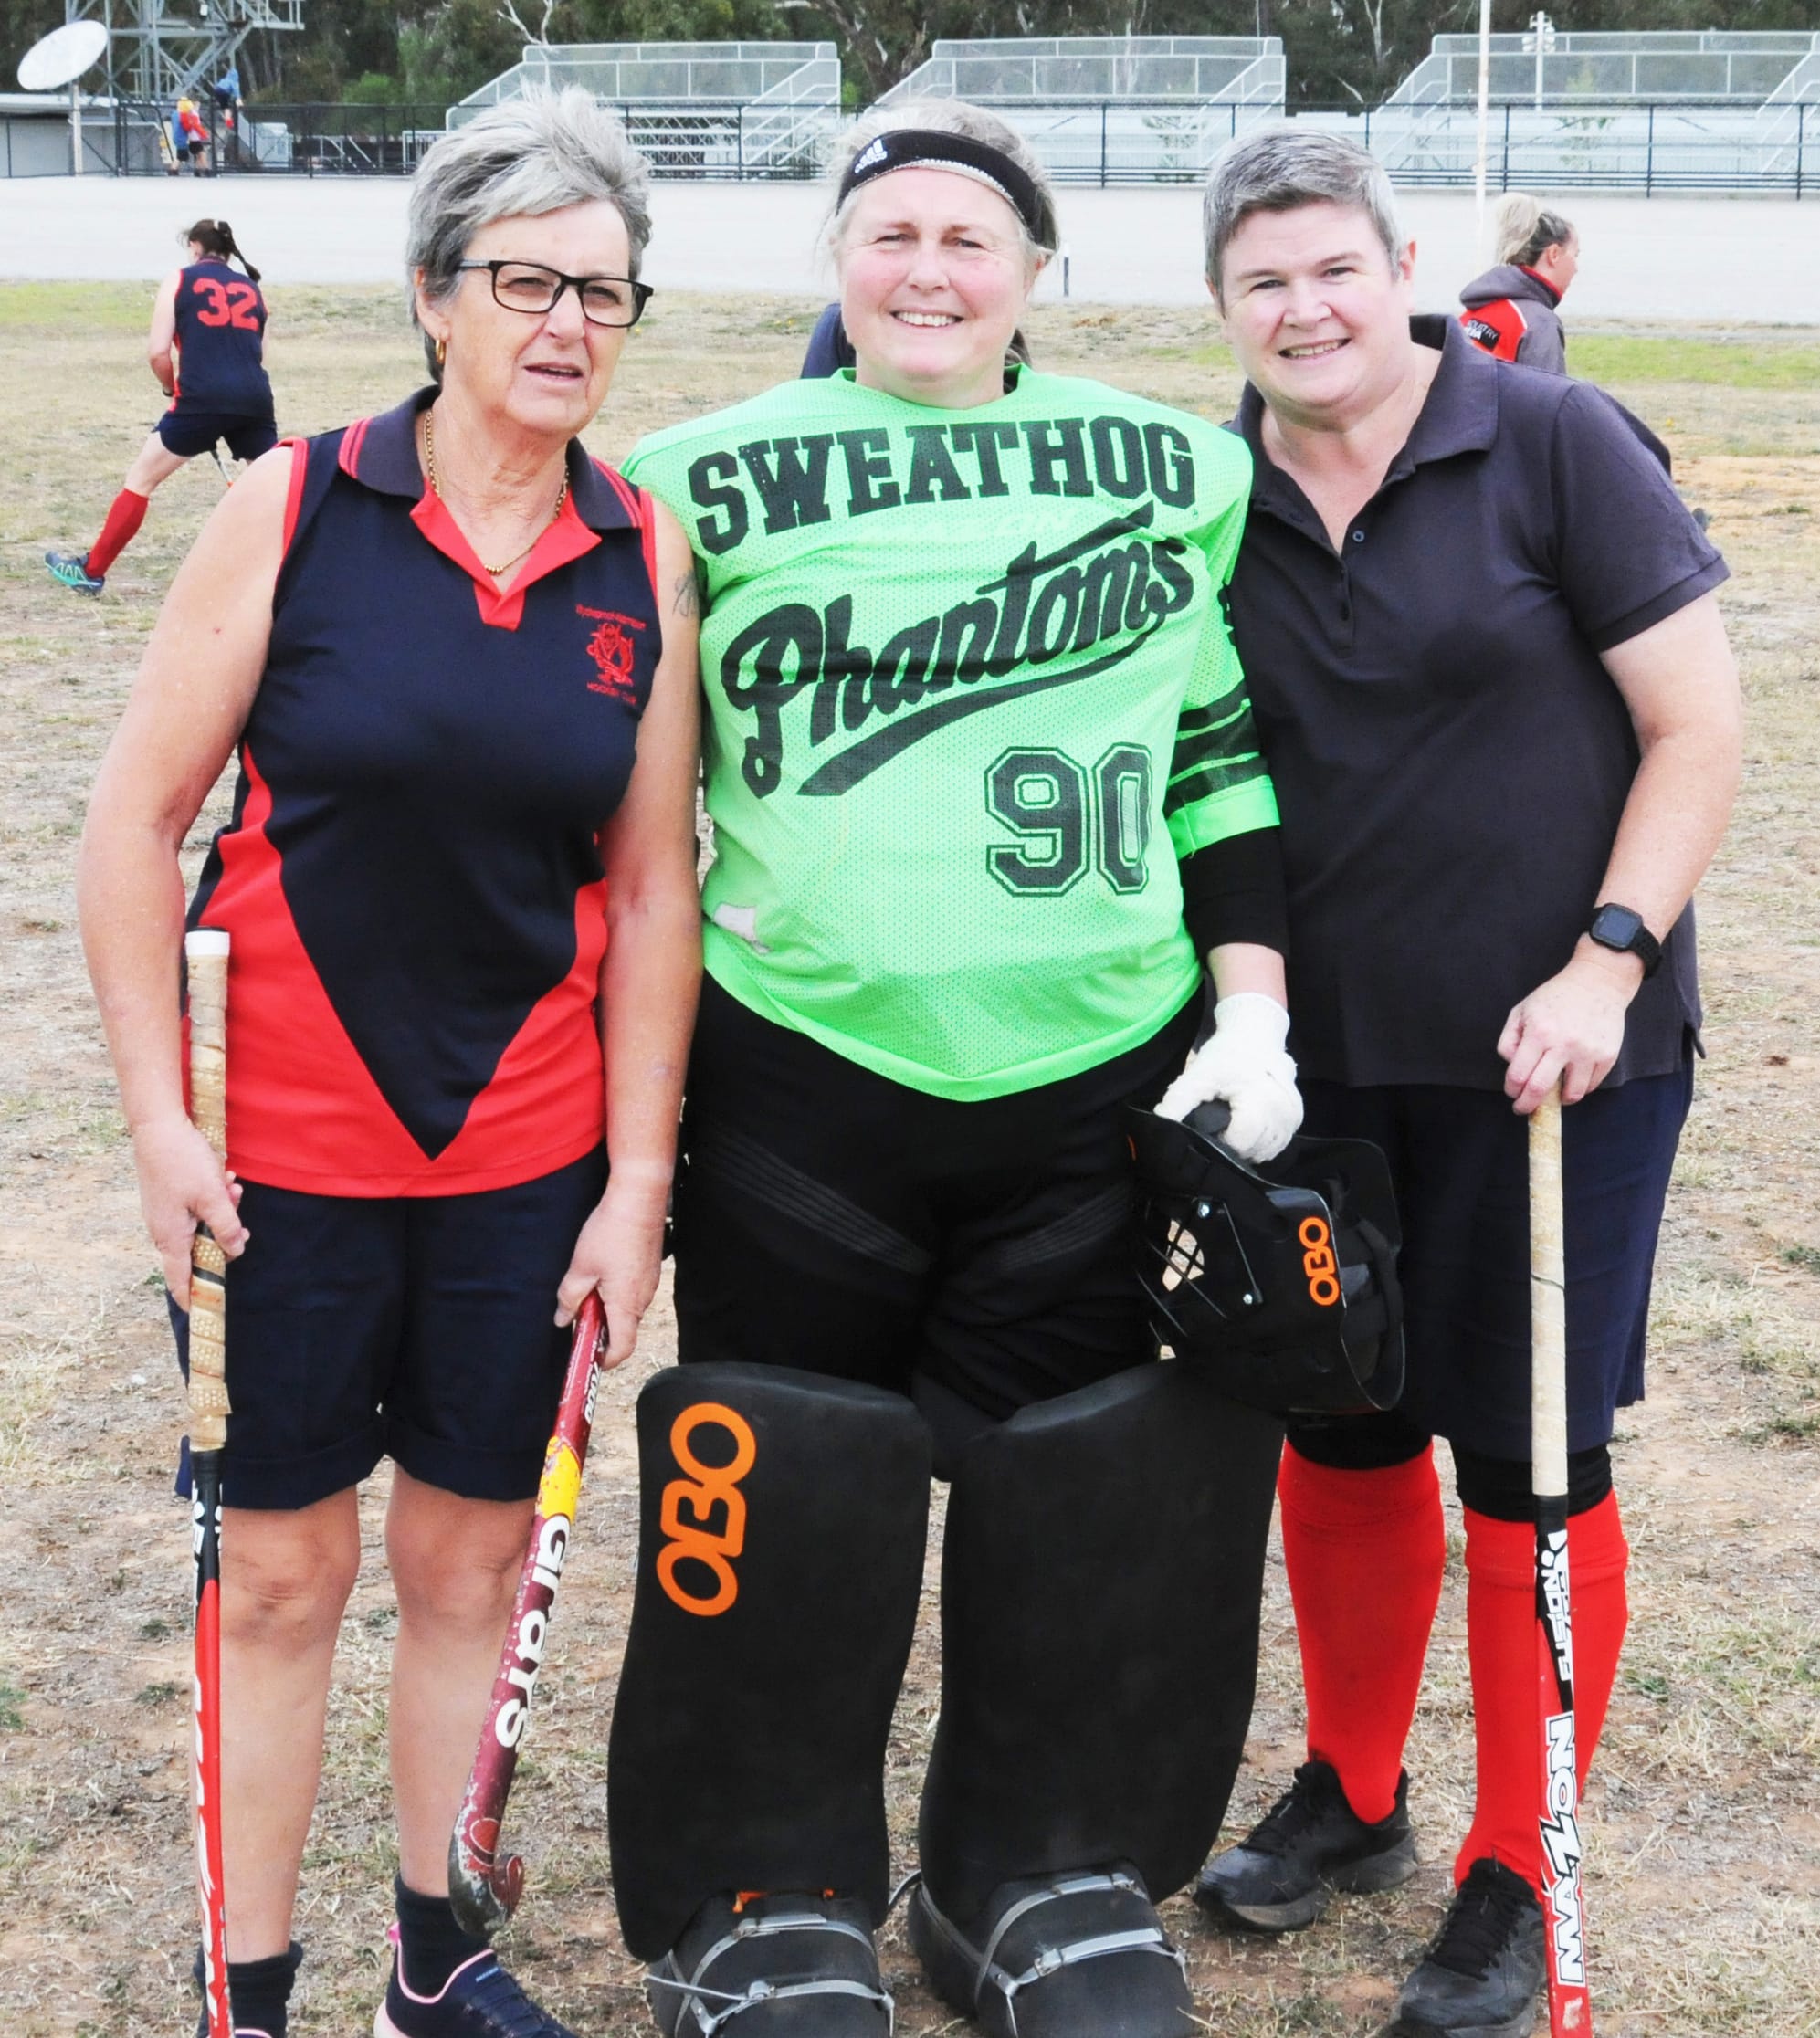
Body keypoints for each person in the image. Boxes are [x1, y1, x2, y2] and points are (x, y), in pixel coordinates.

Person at [609, 99, 1296, 2038]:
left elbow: (1216, 751)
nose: (927, 267)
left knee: (1071, 1498)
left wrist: (1251, 1004)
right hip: (805, 1076)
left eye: (968, 238)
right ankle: (762, 1889)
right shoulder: (690, 480)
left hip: (1089, 1075)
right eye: (890, 232)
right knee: (790, 1492)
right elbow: (632, 812)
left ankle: (1024, 1869)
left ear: (1036, 270)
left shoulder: (1172, 471)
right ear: (836, 260)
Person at [76, 89, 700, 2038]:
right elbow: (125, 826)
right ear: (437, 295)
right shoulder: (305, 505)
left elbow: (656, 887)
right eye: (525, 279)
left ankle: (434, 1953)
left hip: (522, 1160)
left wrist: (635, 1182)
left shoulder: (638, 550)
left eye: (605, 290)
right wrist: (163, 1126)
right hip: (279, 1164)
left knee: (469, 1555)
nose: (567, 323)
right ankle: (248, 1993)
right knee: (279, 1580)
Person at [1192, 131, 1740, 2038]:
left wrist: (1607, 959)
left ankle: (1520, 1854)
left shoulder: (1550, 441)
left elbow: (1696, 723)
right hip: (1319, 1065)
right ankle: (1354, 1790)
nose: (1303, 308)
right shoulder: (1212, 494)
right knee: (1339, 1430)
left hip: (1552, 1063)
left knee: (1523, 1464)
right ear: (1224, 307)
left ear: (1398, 262)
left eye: (1332, 268)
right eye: (1262, 281)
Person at [47, 220, 278, 599]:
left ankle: (92, 571)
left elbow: (157, 352)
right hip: (254, 399)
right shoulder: (253, 289)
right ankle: (303, 570)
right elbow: (260, 354)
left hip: (200, 399)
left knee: (140, 480)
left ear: (194, 246)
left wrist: (171, 387)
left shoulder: (179, 280)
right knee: (276, 490)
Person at [1458, 193, 1577, 372]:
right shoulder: (1538, 324)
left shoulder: (1472, 315)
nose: (1576, 268)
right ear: (1554, 254)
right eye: (1575, 255)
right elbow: (1546, 397)